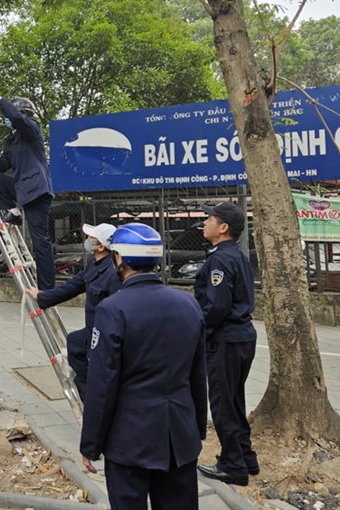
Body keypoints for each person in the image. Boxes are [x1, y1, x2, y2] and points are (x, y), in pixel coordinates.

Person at [80, 223, 206, 510]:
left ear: (119, 258)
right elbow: (198, 375)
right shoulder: (188, 304)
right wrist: (195, 428)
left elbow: (102, 384)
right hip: (179, 439)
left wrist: (90, 444)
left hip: (129, 440)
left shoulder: (112, 310)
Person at [194, 201, 259, 486]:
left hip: (226, 339)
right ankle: (246, 457)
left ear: (223, 227)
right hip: (243, 337)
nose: (204, 221)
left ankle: (233, 465)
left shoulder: (220, 259)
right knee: (234, 401)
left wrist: (198, 328)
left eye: (209, 218)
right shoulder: (237, 255)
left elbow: (217, 306)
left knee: (222, 405)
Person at [0, 86, 55, 290]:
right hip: (22, 189)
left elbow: (17, 119)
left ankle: (47, 288)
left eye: (12, 115)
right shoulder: (12, 140)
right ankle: (13, 211)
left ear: (23, 113)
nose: (7, 120)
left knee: (40, 240)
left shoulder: (32, 129)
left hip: (37, 191)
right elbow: (3, 164)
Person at [26, 222, 120, 400]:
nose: (87, 240)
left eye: (92, 238)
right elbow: (73, 285)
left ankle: (98, 396)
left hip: (106, 333)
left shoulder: (112, 273)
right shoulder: (94, 264)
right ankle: (86, 391)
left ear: (101, 246)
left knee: (102, 368)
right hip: (93, 329)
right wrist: (43, 297)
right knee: (75, 342)